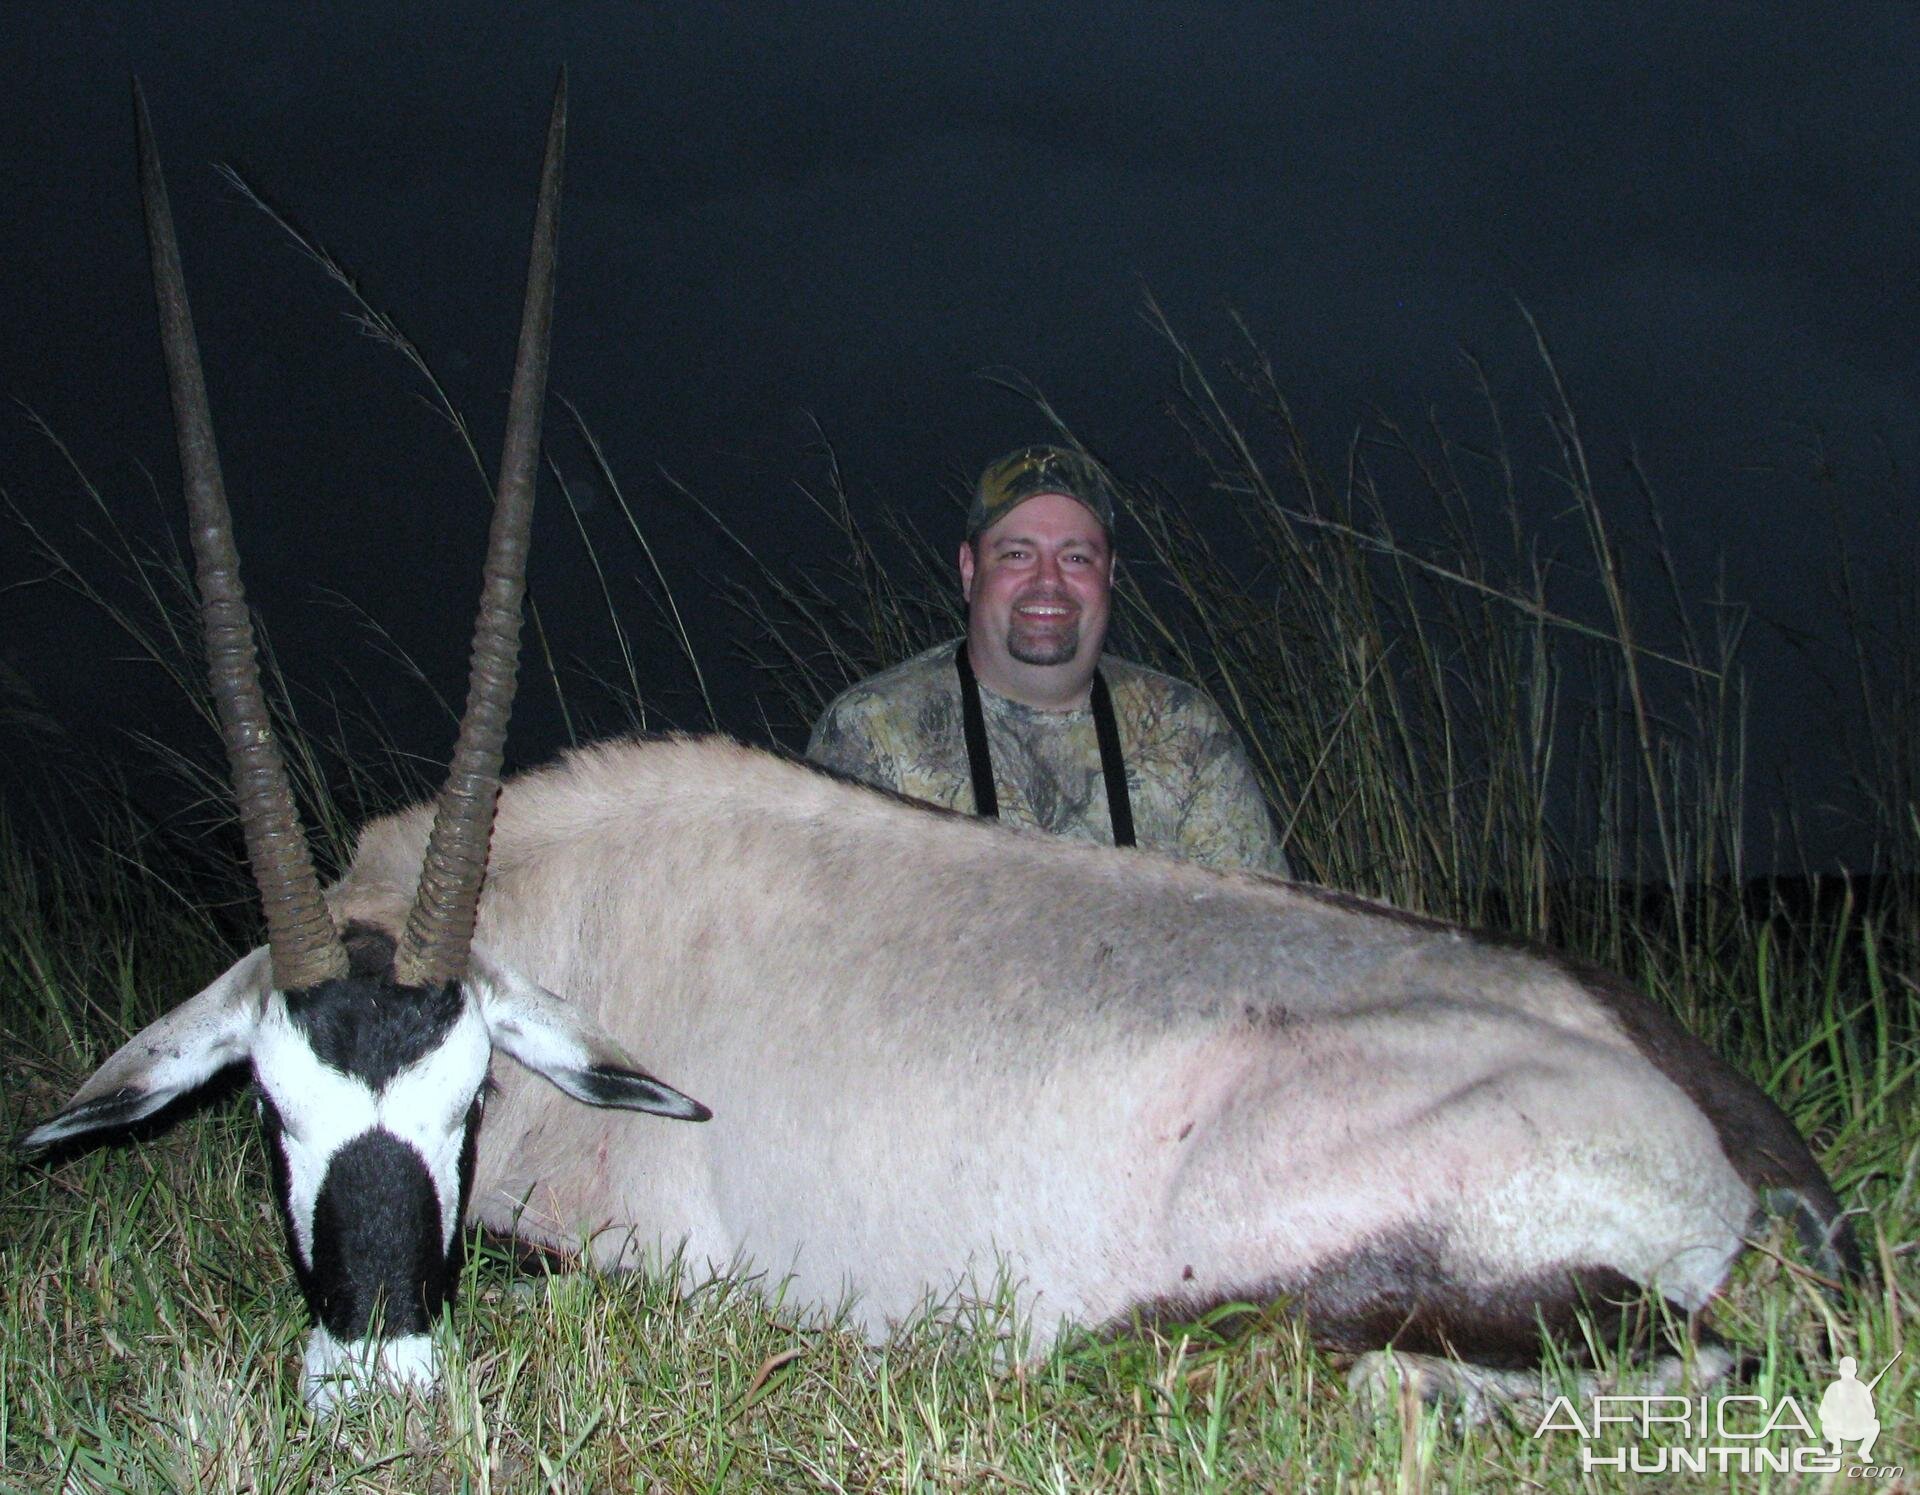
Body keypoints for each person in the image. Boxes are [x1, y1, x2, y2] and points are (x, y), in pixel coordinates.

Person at [807, 443, 1290, 874]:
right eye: (1018, 555)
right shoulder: (873, 731)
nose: (1048, 581)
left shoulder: (1185, 730)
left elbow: (1255, 937)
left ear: (1111, 575)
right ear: (969, 569)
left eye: (1076, 558)